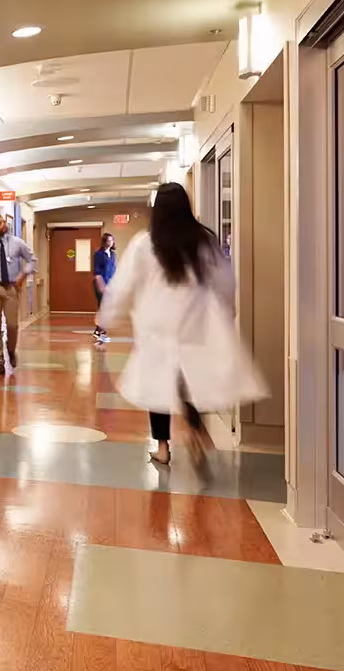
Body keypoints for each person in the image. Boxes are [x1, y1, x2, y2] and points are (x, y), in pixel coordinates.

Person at [97, 183, 266, 474]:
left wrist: (106, 315)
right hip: (194, 323)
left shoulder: (144, 244)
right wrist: (226, 313)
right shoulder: (204, 242)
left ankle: (163, 448)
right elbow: (225, 282)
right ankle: (197, 428)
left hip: (157, 327)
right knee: (191, 379)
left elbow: (124, 286)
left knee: (157, 387)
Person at [0, 213, 38, 377]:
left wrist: (23, 275)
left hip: (12, 288)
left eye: (3, 222)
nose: (3, 224)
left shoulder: (17, 243)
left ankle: (10, 349)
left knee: (12, 325)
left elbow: (32, 259)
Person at [92, 233, 117, 343]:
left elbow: (113, 270)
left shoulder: (112, 254)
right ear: (104, 242)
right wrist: (102, 286)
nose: (111, 242)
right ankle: (100, 332)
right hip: (100, 284)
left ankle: (99, 331)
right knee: (103, 307)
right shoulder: (98, 254)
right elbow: (97, 272)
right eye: (108, 240)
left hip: (110, 284)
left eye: (112, 240)